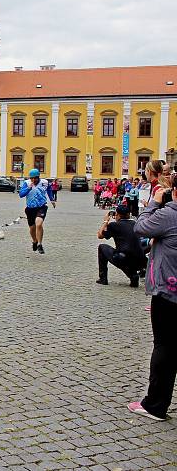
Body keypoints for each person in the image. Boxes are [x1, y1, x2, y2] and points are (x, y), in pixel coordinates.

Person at [128, 176, 177, 422]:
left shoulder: (170, 214)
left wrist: (155, 202)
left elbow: (140, 227)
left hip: (170, 291)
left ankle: (155, 404)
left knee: (165, 346)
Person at [96, 204, 146, 287]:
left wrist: (105, 222)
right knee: (129, 253)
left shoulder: (114, 225)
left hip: (123, 258)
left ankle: (103, 278)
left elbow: (100, 235)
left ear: (117, 215)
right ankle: (133, 275)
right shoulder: (135, 223)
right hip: (141, 260)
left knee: (102, 247)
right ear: (128, 214)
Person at [19, 168, 55, 255]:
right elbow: (21, 194)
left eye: (35, 178)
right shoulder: (27, 183)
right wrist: (28, 188)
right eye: (32, 178)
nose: (34, 180)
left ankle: (40, 244)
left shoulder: (44, 182)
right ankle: (35, 241)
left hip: (41, 206)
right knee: (32, 228)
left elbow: (49, 189)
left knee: (39, 224)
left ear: (39, 177)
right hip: (30, 208)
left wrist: (52, 199)